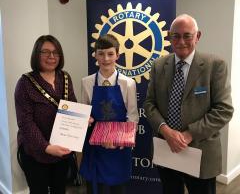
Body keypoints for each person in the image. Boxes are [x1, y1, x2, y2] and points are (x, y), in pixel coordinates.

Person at [144, 14, 233, 194]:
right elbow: (149, 104)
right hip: (167, 149)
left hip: (201, 152)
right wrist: (166, 131)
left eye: (187, 35)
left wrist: (188, 134)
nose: (181, 41)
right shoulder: (159, 65)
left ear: (198, 36)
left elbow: (224, 110)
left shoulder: (215, 65)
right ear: (169, 37)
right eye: (175, 35)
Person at [15, 35, 77, 194]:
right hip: (35, 152)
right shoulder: (25, 83)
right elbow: (25, 123)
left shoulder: (65, 77)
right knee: (38, 191)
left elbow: (72, 106)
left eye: (56, 52)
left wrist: (82, 118)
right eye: (46, 52)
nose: (51, 56)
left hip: (61, 149)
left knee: (59, 189)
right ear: (37, 54)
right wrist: (46, 147)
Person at [79, 34, 139, 194]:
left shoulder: (128, 83)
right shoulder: (86, 82)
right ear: (95, 55)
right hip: (95, 145)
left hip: (118, 146)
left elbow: (132, 116)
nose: (106, 58)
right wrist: (86, 119)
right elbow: (84, 112)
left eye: (110, 54)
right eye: (101, 53)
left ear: (117, 55)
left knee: (118, 189)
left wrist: (118, 140)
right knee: (94, 188)